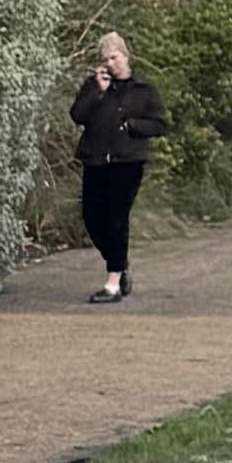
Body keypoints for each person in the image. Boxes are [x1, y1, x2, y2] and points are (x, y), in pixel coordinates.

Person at [70, 32, 164, 300]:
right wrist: (98, 92)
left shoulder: (143, 90)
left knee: (115, 217)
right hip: (96, 159)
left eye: (114, 57)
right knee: (92, 217)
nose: (111, 63)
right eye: (105, 59)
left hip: (128, 162)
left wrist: (132, 126)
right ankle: (120, 265)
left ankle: (112, 282)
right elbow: (77, 115)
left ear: (126, 57)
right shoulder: (93, 86)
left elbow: (159, 125)